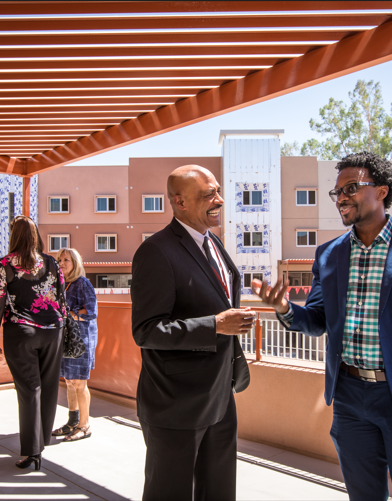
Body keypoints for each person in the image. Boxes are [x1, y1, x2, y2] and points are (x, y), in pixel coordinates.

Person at [253, 152, 392, 501]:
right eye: (337, 192)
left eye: (351, 188)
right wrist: (285, 309)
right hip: (350, 398)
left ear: (381, 191)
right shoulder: (329, 254)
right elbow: (318, 319)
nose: (341, 198)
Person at [131, 164, 256, 501]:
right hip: (176, 403)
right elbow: (146, 331)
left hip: (220, 396)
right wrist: (215, 325)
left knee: (218, 492)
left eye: (217, 191)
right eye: (208, 195)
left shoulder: (213, 243)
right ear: (180, 202)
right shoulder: (156, 251)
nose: (220, 200)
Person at [0, 216, 66, 471]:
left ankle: (31, 452)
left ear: (13, 235)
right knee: (49, 385)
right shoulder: (51, 262)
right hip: (54, 330)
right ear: (35, 234)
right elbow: (61, 297)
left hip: (21, 333)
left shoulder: (3, 265)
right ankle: (41, 443)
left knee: (29, 390)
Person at [52, 247, 98, 441]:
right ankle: (72, 422)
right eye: (59, 260)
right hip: (66, 339)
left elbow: (92, 312)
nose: (61, 263)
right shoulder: (61, 284)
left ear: (75, 263)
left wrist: (70, 314)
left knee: (79, 383)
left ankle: (84, 426)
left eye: (66, 260)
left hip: (81, 340)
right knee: (69, 382)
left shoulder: (82, 283)